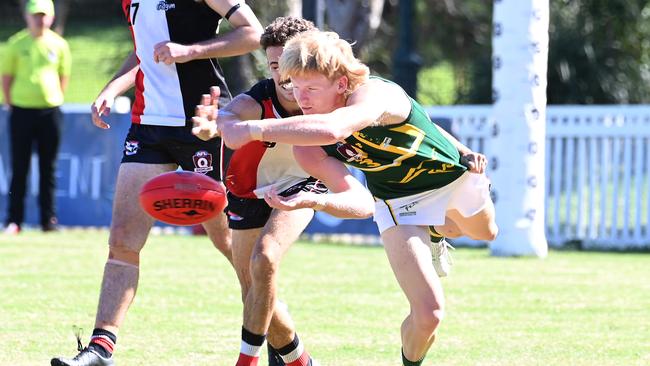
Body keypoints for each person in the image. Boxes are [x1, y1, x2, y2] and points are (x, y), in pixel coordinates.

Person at [193, 29, 498, 366]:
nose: (300, 98)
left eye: (311, 88)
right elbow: (364, 203)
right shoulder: (308, 147)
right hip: (396, 202)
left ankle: (438, 232)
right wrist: (315, 201)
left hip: (450, 181)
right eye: (295, 85)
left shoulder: (374, 94)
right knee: (430, 315)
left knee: (485, 233)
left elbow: (336, 128)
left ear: (340, 83)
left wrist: (253, 129)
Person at [50, 1, 263, 366]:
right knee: (122, 240)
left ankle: (282, 344)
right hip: (147, 126)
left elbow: (252, 34)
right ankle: (101, 350)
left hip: (205, 123)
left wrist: (190, 51)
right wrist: (113, 88)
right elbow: (144, 53)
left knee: (234, 245)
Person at [195, 17, 369, 366]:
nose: (282, 75)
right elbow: (231, 114)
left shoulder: (334, 98)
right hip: (247, 190)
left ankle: (246, 361)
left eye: (288, 63)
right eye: (274, 65)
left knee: (266, 257)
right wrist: (216, 125)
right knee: (255, 289)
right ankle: (298, 360)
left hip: (303, 183)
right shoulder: (260, 97)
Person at [1, 0, 71, 235]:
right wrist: (11, 103)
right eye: (35, 15)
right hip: (21, 111)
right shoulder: (15, 44)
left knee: (48, 168)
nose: (39, 19)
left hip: (50, 112)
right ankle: (14, 220)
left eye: (43, 15)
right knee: (19, 167)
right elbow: (7, 78)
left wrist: (55, 98)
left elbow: (64, 76)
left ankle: (47, 221)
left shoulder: (59, 44)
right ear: (27, 17)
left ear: (50, 17)